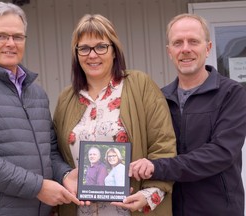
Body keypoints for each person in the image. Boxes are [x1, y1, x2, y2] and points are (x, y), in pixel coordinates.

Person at [0, 2, 80, 216]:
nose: (10, 43)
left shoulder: (37, 93)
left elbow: (49, 151)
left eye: (17, 36)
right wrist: (38, 187)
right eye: (1, 36)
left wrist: (64, 174)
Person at [53, 14, 176, 215]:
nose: (92, 55)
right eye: (84, 48)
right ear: (76, 54)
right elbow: (55, 154)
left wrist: (148, 195)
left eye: (101, 46)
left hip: (131, 209)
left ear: (114, 51)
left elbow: (164, 146)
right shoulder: (66, 98)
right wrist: (66, 177)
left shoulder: (140, 85)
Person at [128, 13, 246, 216]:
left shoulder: (231, 93)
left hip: (218, 210)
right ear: (169, 52)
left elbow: (221, 153)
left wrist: (157, 167)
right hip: (172, 209)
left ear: (208, 48)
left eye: (193, 41)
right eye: (177, 43)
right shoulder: (160, 98)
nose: (185, 49)